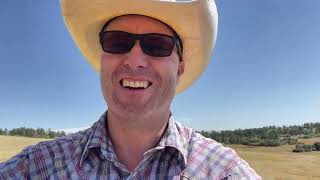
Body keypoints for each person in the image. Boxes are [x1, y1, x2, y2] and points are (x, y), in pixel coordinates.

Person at [0, 0, 261, 179]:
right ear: (103, 59)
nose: (135, 59)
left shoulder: (224, 172)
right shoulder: (35, 168)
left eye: (157, 45)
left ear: (179, 69)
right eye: (118, 41)